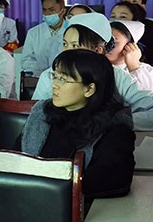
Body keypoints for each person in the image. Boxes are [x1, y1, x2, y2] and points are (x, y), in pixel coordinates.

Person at [20, 49, 136, 205]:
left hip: (81, 210)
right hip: (28, 202)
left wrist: (48, 187)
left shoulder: (114, 128)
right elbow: (16, 158)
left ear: (89, 89)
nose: (54, 85)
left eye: (63, 79)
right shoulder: (42, 114)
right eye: (55, 76)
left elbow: (114, 180)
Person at [32, 13, 153, 131]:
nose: (66, 51)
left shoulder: (117, 76)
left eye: (75, 45)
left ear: (98, 50)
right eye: (65, 44)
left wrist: (114, 121)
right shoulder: (50, 76)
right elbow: (35, 117)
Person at [107, 20, 153, 104]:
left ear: (130, 46)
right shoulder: (96, 65)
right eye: (104, 40)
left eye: (114, 41)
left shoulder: (144, 69)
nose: (106, 45)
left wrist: (134, 67)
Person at [110, 1, 153, 81]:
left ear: (135, 21)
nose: (116, 20)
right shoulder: (104, 41)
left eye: (123, 17)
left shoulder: (148, 42)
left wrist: (134, 67)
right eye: (113, 16)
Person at [21, 0, 67, 76]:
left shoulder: (71, 31)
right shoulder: (33, 33)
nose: (47, 14)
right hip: (39, 78)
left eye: (52, 10)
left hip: (65, 78)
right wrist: (43, 74)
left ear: (63, 11)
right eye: (44, 10)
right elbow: (26, 60)